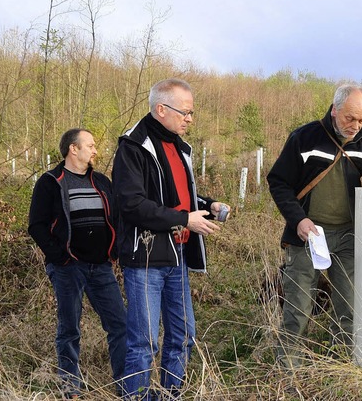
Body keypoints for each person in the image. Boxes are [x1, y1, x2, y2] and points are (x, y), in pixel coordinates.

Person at [267, 83, 362, 369]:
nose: (356, 126)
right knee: (298, 307)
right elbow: (278, 182)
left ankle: (340, 364)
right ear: (334, 110)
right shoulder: (304, 138)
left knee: (351, 305)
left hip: (349, 235)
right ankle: (289, 370)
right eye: (349, 118)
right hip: (308, 235)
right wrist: (298, 220)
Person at [112, 78, 231, 399]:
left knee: (182, 336)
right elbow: (132, 205)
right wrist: (185, 219)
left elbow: (177, 194)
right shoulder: (133, 148)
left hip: (177, 256)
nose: (190, 119)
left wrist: (206, 205)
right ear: (161, 109)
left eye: (192, 113)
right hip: (146, 259)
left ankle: (169, 395)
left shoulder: (178, 147)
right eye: (186, 112)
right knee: (144, 341)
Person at [28, 128, 127, 399]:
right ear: (73, 149)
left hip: (101, 267)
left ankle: (126, 386)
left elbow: (117, 218)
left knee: (121, 327)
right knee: (69, 329)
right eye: (91, 145)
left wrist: (115, 251)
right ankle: (70, 389)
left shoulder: (102, 182)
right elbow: (36, 225)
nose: (95, 150)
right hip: (68, 268)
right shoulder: (51, 182)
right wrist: (60, 257)